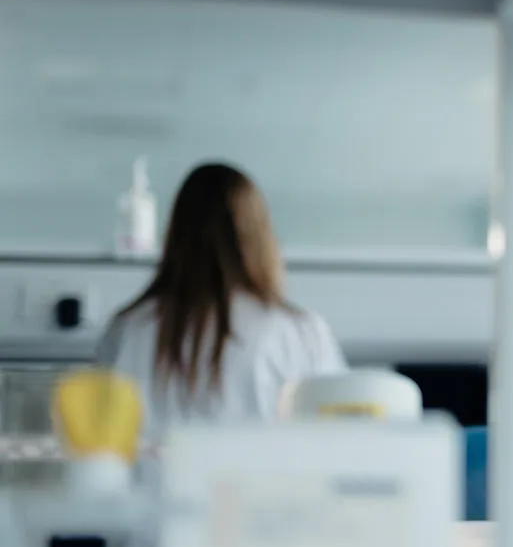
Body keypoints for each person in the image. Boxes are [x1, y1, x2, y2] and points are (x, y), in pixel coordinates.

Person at [95, 162, 347, 439]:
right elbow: (338, 437)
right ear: (261, 236)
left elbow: (97, 442)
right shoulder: (302, 333)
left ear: (176, 234)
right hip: (266, 469)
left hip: (150, 469)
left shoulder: (128, 328)